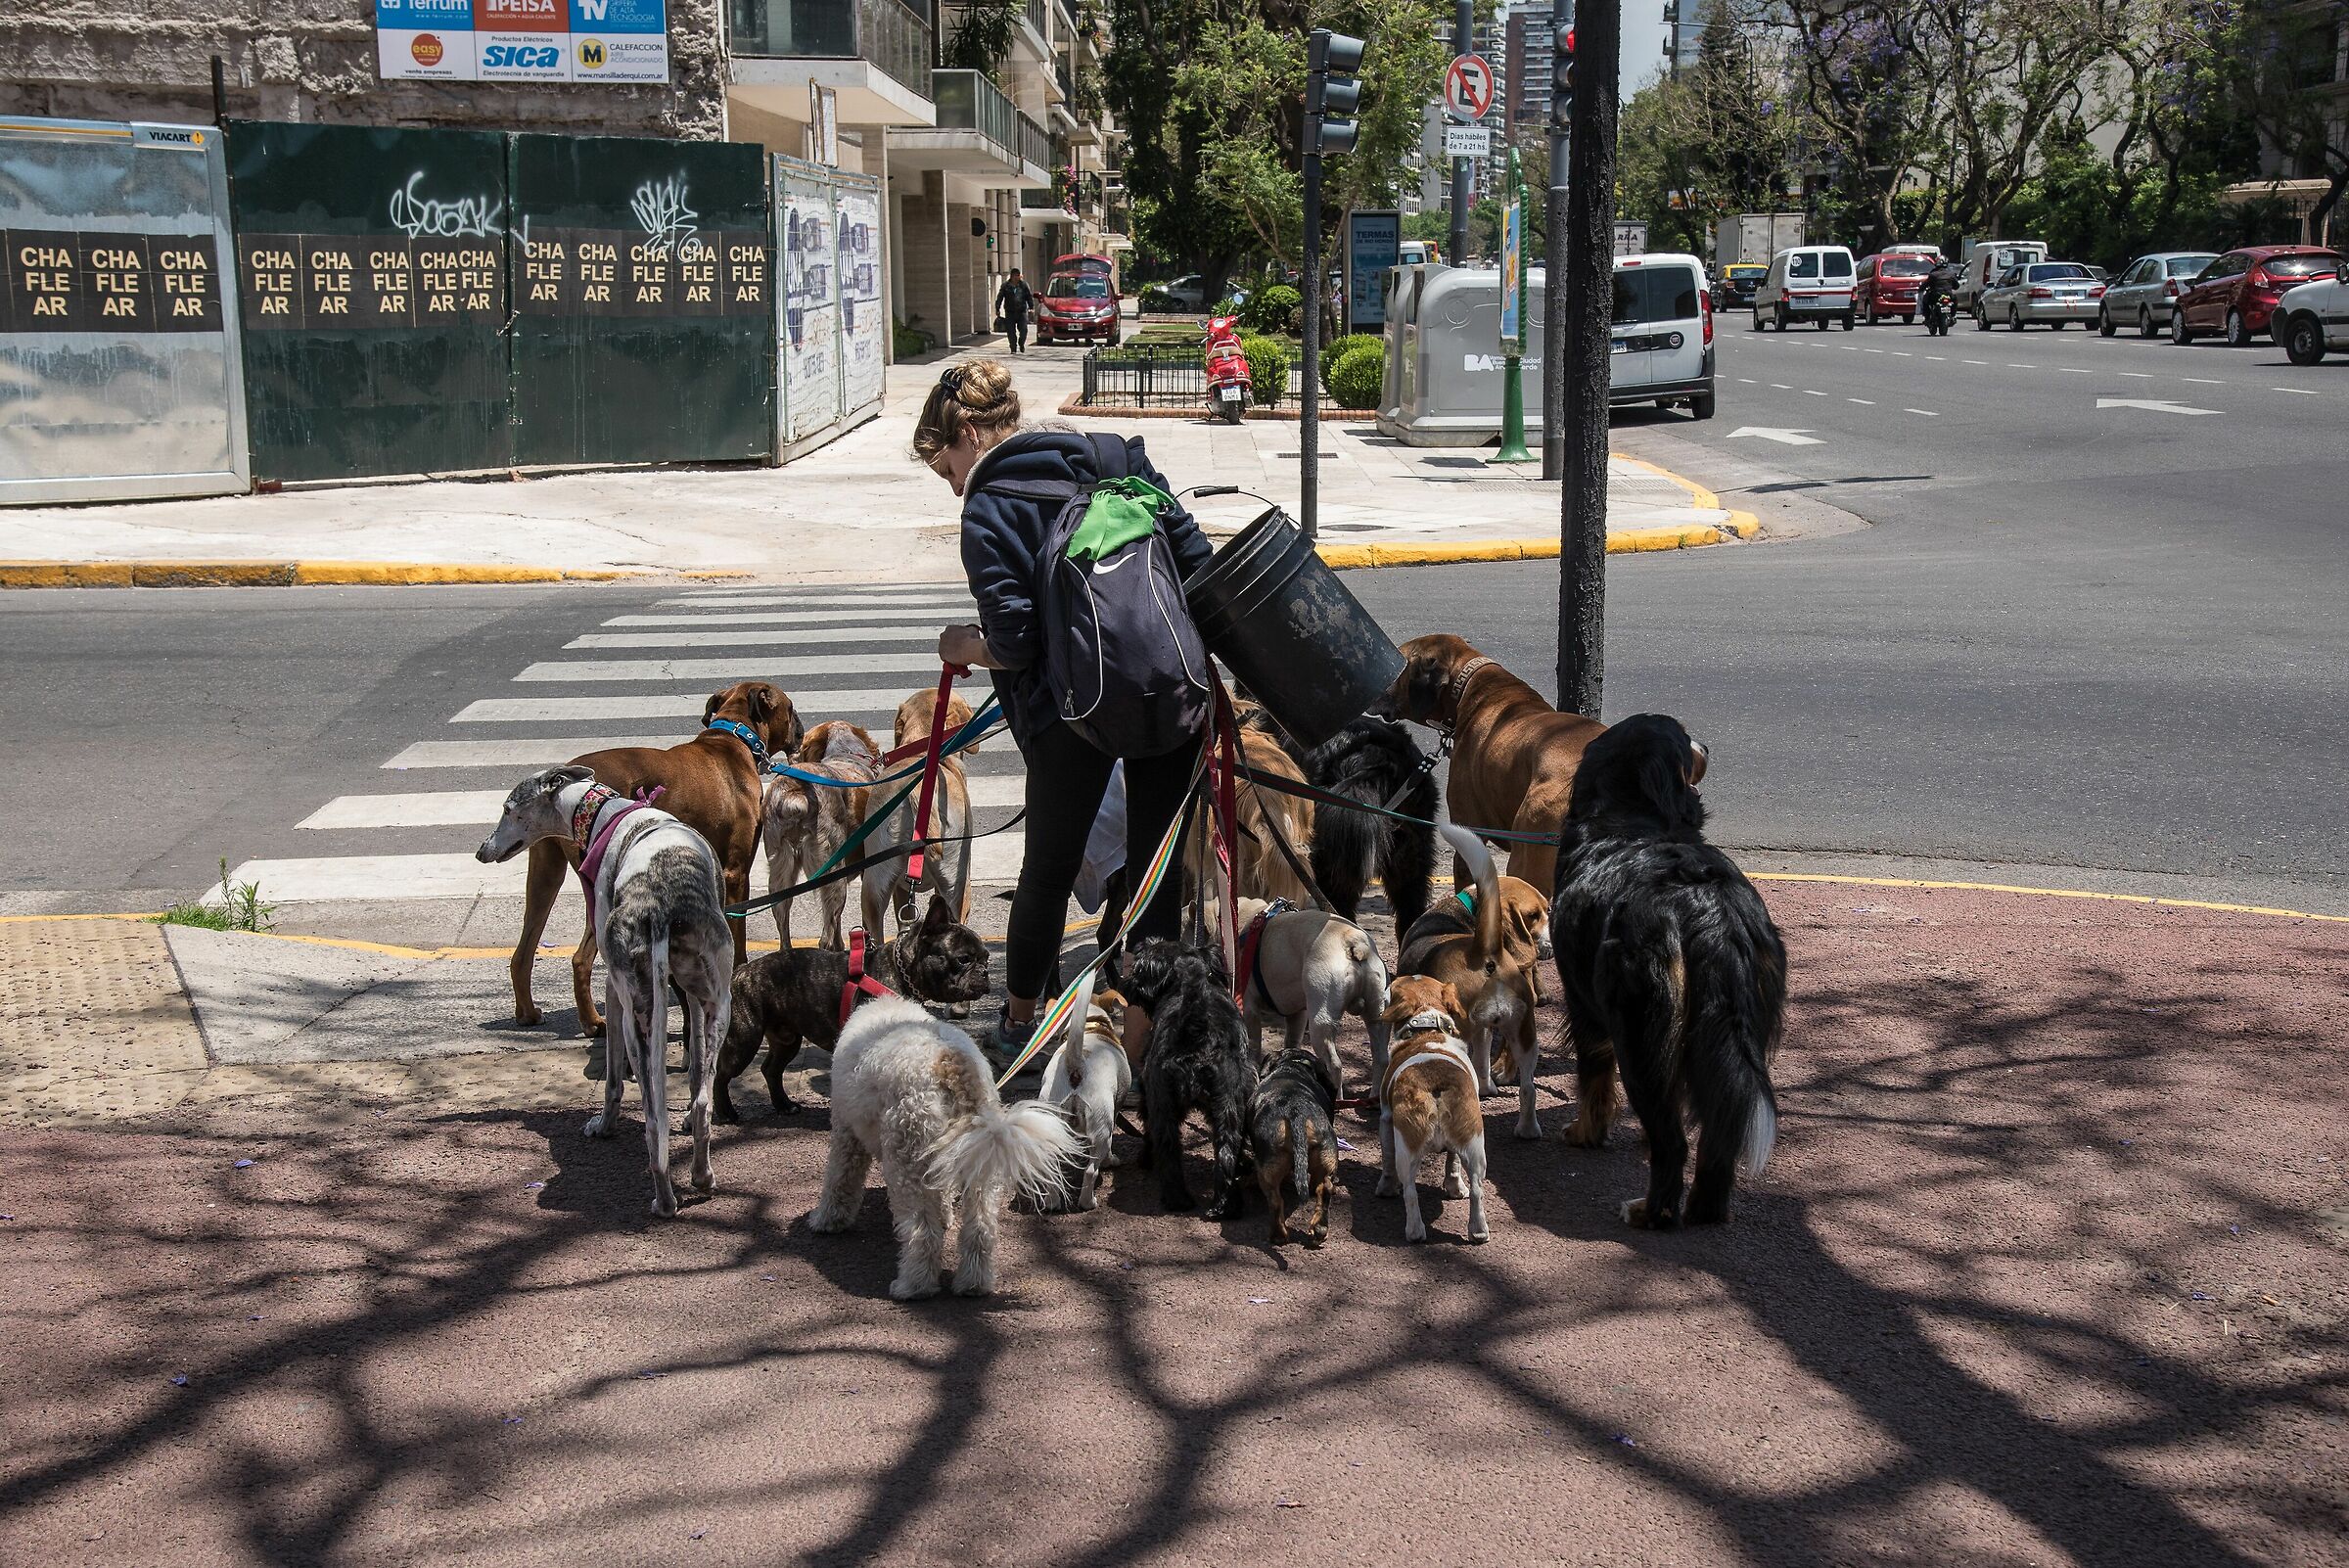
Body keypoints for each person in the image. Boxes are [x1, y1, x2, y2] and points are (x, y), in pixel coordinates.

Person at [914, 360, 1211, 1065]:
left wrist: (960, 644)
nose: (955, 482)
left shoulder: (989, 505)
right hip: (1168, 695)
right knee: (1153, 879)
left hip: (1069, 712)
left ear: (968, 433)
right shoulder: (1116, 457)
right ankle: (1142, 1050)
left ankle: (1020, 1027)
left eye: (948, 465)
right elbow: (1195, 563)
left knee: (1046, 873)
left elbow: (1015, 644)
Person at [994, 268, 1035, 354]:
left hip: (1021, 311)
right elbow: (1000, 297)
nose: (1018, 277)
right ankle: (1013, 347)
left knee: (1024, 330)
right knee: (1011, 331)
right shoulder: (1005, 286)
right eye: (1016, 275)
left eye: (1018, 275)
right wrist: (997, 308)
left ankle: (1021, 343)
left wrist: (1031, 307)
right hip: (1010, 312)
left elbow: (1029, 297)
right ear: (1012, 276)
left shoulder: (1023, 285)